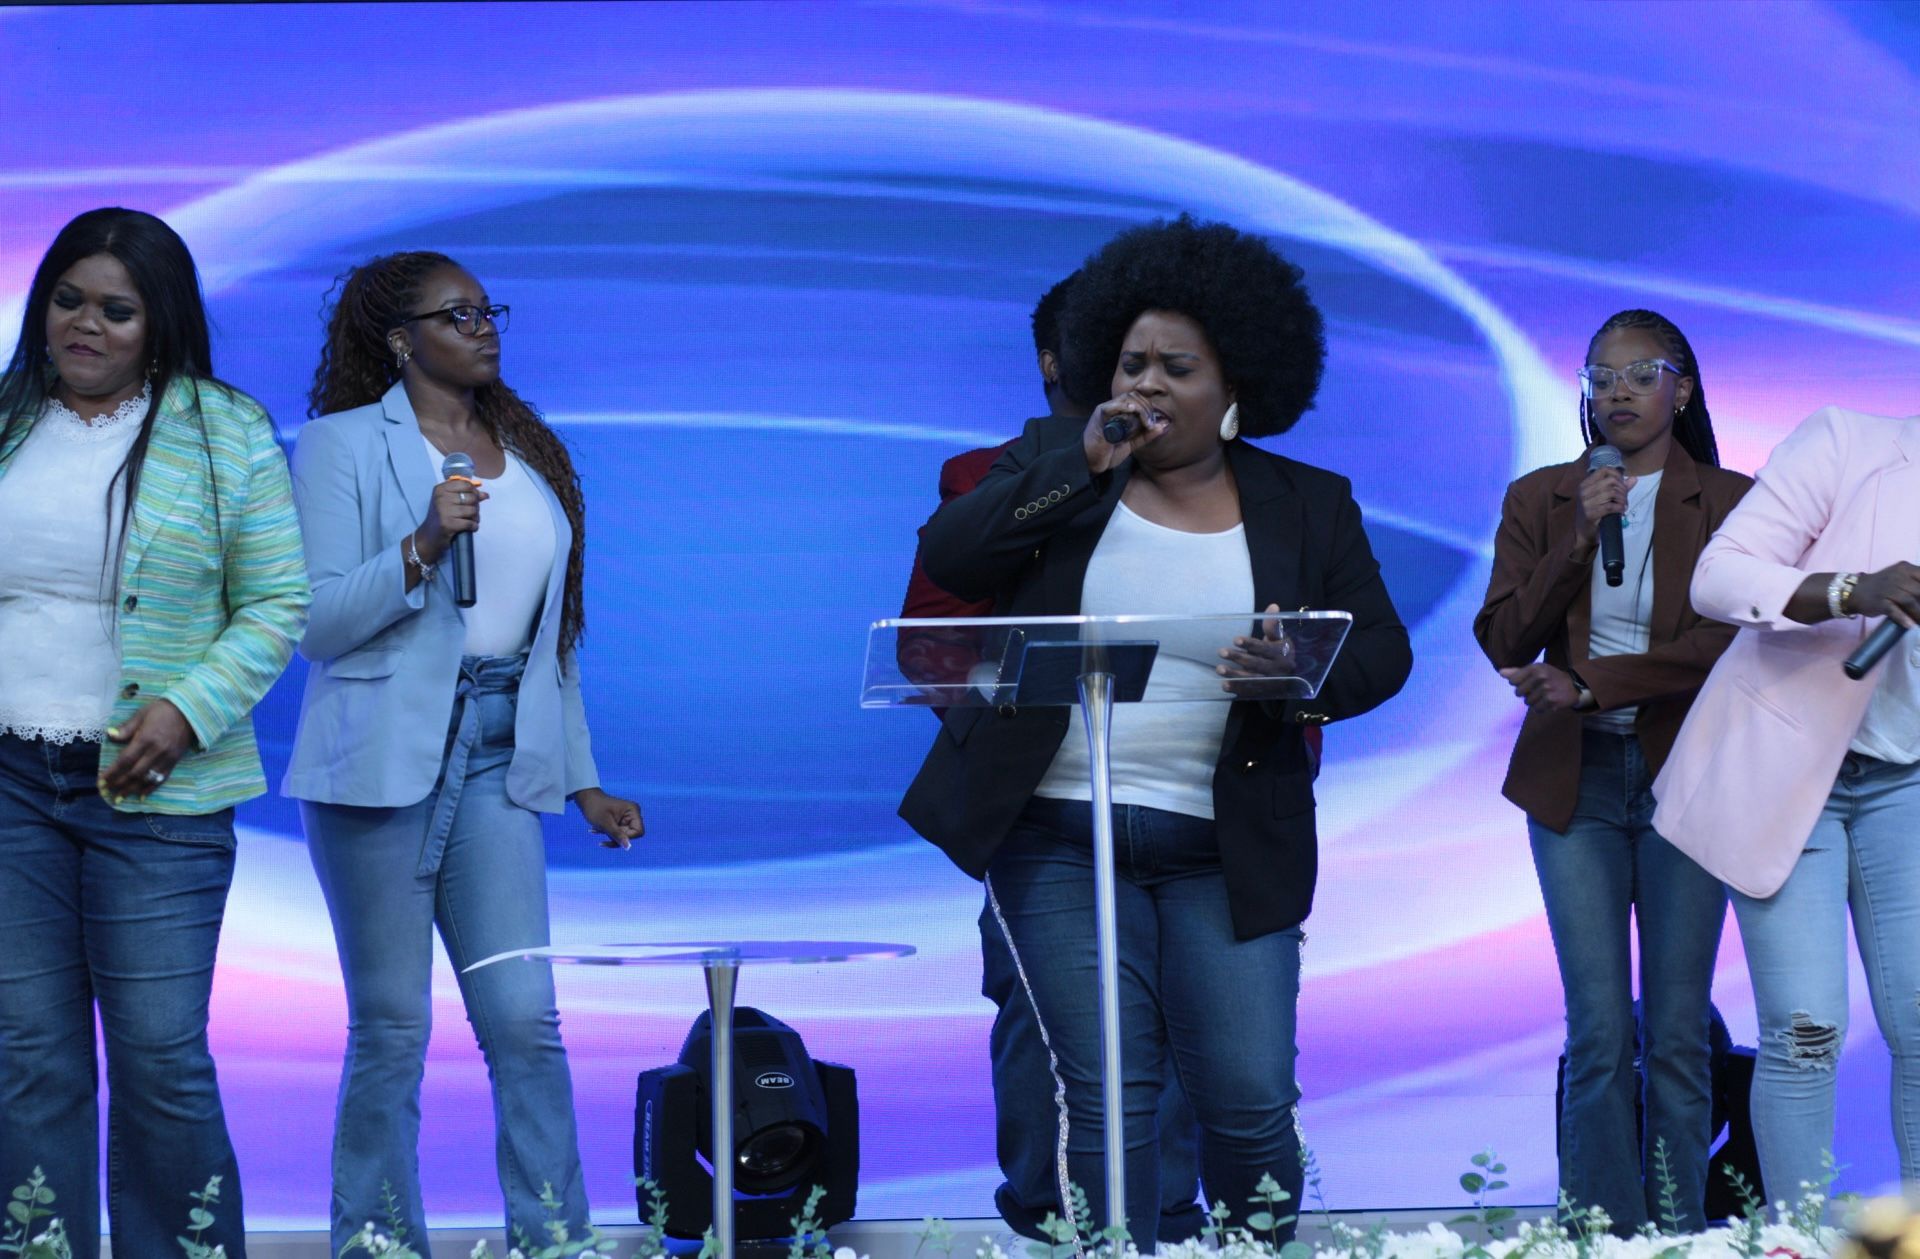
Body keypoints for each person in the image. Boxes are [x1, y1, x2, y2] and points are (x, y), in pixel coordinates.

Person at [900, 214, 1411, 1238]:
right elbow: (953, 558)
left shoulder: (1307, 503)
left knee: (1250, 1098)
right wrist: (1080, 466)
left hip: (1225, 842)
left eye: (1177, 367)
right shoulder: (1055, 458)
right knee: (1109, 1095)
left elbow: (1380, 653)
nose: (1146, 387)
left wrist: (1295, 675)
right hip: (1055, 833)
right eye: (1131, 363)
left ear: (1238, 388)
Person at [286, 251, 643, 1252]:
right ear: (401, 339)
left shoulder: (526, 451)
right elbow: (315, 622)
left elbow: (549, 645)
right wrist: (420, 545)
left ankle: (555, 1241)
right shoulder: (339, 445)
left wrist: (586, 782)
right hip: (382, 761)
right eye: (459, 313)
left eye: (490, 309)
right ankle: (378, 1243)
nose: (485, 326)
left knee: (526, 1020)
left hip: (498, 753)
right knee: (394, 1029)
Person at [0, 207, 311, 1259]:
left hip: (155, 799)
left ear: (160, 321)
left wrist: (188, 707)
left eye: (116, 308)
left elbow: (276, 601)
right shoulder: (4, 420)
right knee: (30, 1056)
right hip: (9, 783)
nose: (85, 323)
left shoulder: (225, 432)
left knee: (159, 1058)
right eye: (68, 298)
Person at [899, 273, 1207, 1244]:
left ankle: (1166, 1218)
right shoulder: (985, 477)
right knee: (1047, 1017)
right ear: (1052, 362)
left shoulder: (1213, 484)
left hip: (1187, 793)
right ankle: (1047, 1219)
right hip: (1044, 799)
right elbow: (928, 641)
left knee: (1186, 1010)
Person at [1474, 309, 1750, 1232]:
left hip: (1685, 775)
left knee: (1676, 1031)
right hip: (1574, 782)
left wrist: (1591, 682)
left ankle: (1676, 1229)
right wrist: (1577, 537)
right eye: (1601, 376)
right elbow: (1505, 636)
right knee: (1598, 1028)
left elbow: (1724, 642)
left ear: (1685, 387)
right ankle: (1602, 1231)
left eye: (1642, 374)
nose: (1619, 393)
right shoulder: (1544, 496)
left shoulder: (1730, 500)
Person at [1653, 393, 1920, 1204]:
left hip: (1906, 779)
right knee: (1806, 1030)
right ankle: (1798, 1240)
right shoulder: (1849, 443)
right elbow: (1719, 576)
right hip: (1788, 768)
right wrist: (1852, 590)